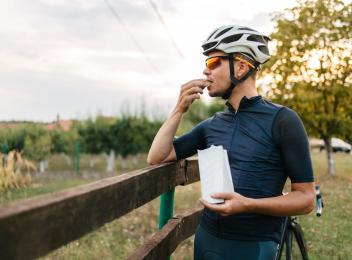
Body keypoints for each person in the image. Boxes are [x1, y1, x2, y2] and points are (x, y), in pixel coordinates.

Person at [147, 25, 315, 260]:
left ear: (242, 66)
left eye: (214, 62)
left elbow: (306, 199)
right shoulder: (211, 124)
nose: (206, 71)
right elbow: (157, 157)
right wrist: (179, 109)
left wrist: (248, 205)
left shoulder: (283, 120)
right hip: (206, 238)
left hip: (254, 244)